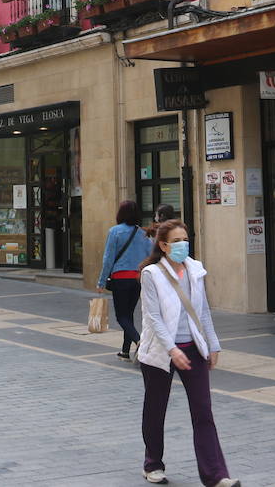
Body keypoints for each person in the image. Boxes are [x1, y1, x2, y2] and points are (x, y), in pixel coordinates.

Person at [138, 220, 238, 487]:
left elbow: (203, 311)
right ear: (163, 245)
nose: (183, 245)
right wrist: (171, 349)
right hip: (160, 352)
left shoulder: (195, 269)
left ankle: (216, 475)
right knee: (156, 409)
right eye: (177, 241)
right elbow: (154, 318)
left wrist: (213, 345)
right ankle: (153, 464)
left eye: (186, 239)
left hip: (192, 348)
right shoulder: (151, 274)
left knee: (203, 411)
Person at [96, 200, 148, 361]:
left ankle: (139, 342)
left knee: (121, 316)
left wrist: (101, 281)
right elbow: (149, 255)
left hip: (120, 279)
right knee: (129, 314)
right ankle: (125, 351)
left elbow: (108, 259)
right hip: (138, 279)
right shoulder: (143, 233)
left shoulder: (115, 232)